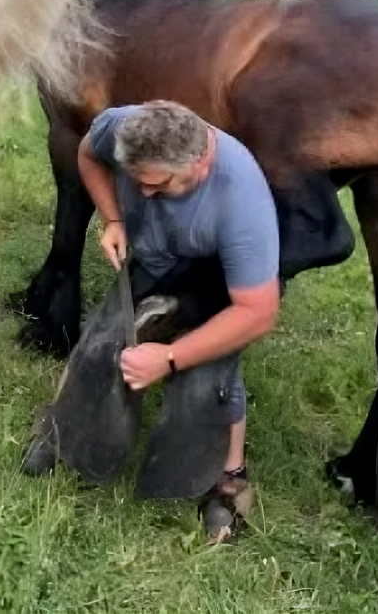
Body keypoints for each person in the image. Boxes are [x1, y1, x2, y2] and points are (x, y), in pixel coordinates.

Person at [77, 100, 281, 538]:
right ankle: (66, 430)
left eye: (159, 184)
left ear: (200, 163)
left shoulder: (239, 197)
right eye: (137, 181)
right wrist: (113, 219)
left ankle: (229, 479)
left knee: (208, 374)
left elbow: (258, 312)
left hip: (219, 279)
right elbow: (87, 153)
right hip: (152, 255)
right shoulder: (124, 128)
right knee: (103, 340)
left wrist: (170, 357)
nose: (145, 194)